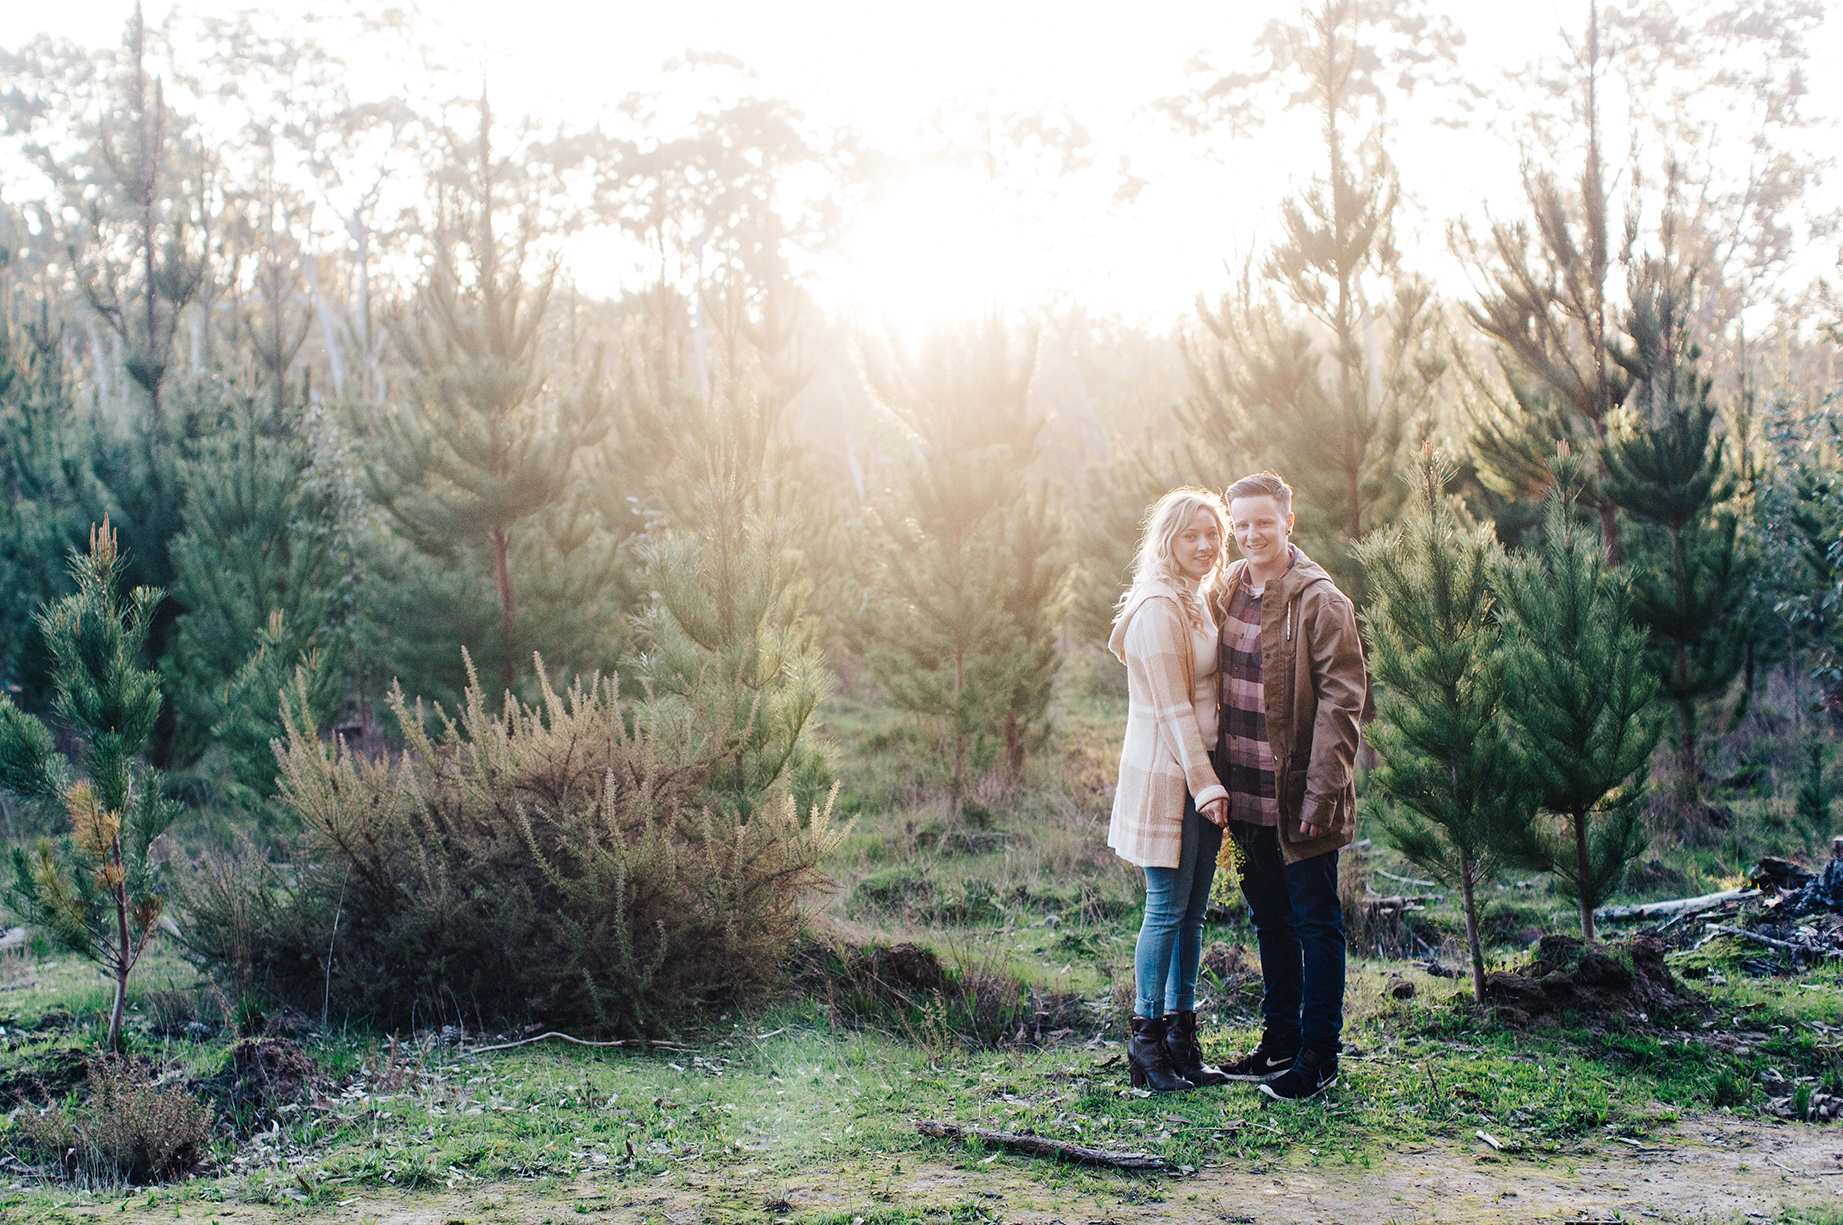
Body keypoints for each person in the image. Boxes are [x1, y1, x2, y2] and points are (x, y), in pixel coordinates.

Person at [1210, 471, 1369, 1102]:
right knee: (1268, 919)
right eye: (1240, 524)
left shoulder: (1320, 601)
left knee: (1314, 921)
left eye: (1264, 523)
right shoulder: (1226, 590)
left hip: (1301, 798)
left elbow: (1344, 698)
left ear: (1288, 525)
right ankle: (1278, 1041)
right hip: (1244, 793)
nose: (1252, 535)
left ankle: (1318, 1056)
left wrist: (1320, 793)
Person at [1107, 487, 1235, 1092]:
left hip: (1202, 773)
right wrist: (1207, 786)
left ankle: (1183, 1041)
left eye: (1213, 534)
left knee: (1192, 914)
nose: (1206, 546)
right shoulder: (1158, 608)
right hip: (1169, 777)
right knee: (1165, 909)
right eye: (1192, 535)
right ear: (1167, 541)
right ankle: (1146, 1046)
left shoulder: (1198, 599)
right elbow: (1174, 711)